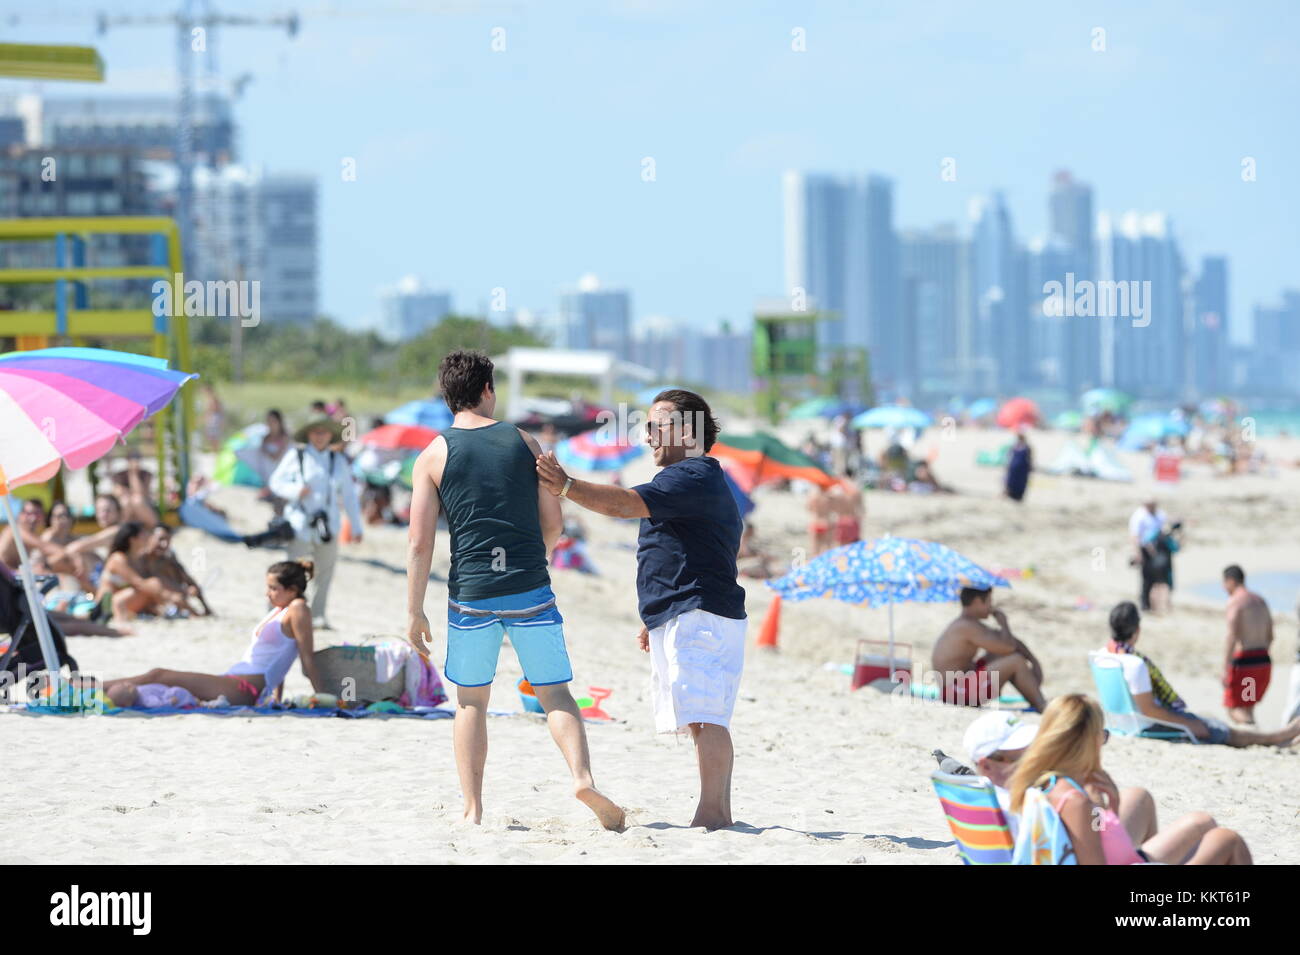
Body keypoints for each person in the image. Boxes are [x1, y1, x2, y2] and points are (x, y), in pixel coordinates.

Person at [405, 350, 623, 830]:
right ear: (488, 390)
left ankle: (473, 808)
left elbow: (420, 541)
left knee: (470, 701)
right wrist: (536, 559)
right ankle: (582, 777)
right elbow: (554, 523)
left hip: (471, 594)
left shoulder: (432, 455)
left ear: (447, 396)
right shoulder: (526, 442)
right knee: (556, 695)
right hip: (530, 588)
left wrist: (414, 610)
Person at [537, 388, 747, 830]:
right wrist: (655, 617)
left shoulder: (691, 475)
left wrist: (568, 486)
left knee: (706, 718)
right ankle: (717, 814)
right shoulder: (692, 480)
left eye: (656, 426)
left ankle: (713, 816)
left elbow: (625, 505)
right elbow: (685, 554)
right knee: (702, 718)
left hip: (701, 614)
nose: (647, 435)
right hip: (691, 611)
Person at [953, 711, 1225, 863]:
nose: (1037, 758)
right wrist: (1094, 808)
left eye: (1037, 748)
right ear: (987, 765)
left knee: (1139, 797)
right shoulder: (1027, 803)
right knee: (1214, 831)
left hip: (1084, 848)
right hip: (1088, 855)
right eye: (1023, 754)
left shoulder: (981, 797)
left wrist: (1108, 810)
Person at [1009, 695, 1252, 864]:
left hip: (1125, 856)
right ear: (1090, 741)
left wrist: (1108, 808)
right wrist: (1097, 809)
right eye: (1103, 735)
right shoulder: (1076, 802)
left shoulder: (1041, 782)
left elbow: (1085, 839)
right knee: (1227, 840)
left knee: (1198, 821)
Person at [103, 559, 324, 707]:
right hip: (235, 682)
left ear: (293, 590)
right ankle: (94, 689)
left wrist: (325, 699)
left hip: (243, 689)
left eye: (274, 588)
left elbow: (307, 660)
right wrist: (277, 698)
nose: (268, 594)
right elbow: (278, 657)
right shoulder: (281, 611)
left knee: (158, 674)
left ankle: (86, 686)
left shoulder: (298, 609)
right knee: (157, 685)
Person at [1102, 601, 1300, 746]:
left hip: (1123, 724)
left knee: (1213, 718)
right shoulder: (1134, 664)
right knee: (1222, 730)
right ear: (1137, 630)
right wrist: (1189, 724)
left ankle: (1273, 732)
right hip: (1147, 726)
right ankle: (1277, 736)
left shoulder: (1104, 656)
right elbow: (1150, 711)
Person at [267, 415, 363, 630]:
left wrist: (356, 526)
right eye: (316, 432)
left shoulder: (338, 461)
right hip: (300, 522)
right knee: (291, 571)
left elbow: (349, 496)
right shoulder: (296, 455)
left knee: (325, 571)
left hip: (328, 525)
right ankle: (281, 612)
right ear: (309, 434)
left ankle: (318, 616)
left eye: (324, 433)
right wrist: (294, 491)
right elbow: (275, 482)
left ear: (330, 435)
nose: (320, 437)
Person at [932, 587, 1046, 711]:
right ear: (977, 602)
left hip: (957, 688)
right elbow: (1009, 647)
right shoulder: (967, 626)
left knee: (999, 654)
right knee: (1015, 661)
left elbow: (1009, 643)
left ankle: (1034, 697)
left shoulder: (966, 624)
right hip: (954, 693)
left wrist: (1033, 661)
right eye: (989, 602)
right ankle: (1041, 705)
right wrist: (1004, 623)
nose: (992, 607)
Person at [94, 522, 193, 625]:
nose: (148, 536)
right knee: (151, 584)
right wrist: (168, 596)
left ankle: (176, 607)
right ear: (133, 539)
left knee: (155, 582)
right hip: (106, 606)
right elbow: (139, 583)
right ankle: (175, 607)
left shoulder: (136, 558)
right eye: (144, 534)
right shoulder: (118, 558)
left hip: (124, 602)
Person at [1220, 565, 1273, 724]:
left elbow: (1232, 636)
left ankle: (1251, 732)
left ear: (1230, 581)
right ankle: (1254, 735)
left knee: (1233, 707)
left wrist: (1225, 667)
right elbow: (1270, 635)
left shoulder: (1235, 601)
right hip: (1263, 660)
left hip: (1245, 662)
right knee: (1248, 705)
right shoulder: (1260, 600)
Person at [139, 525, 212, 616]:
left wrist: (192, 590)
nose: (164, 544)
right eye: (160, 539)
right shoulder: (139, 557)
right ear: (149, 537)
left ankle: (199, 612)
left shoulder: (168, 557)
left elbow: (186, 577)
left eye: (168, 541)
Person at [1129, 499, 1174, 611]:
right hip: (1145, 551)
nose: (1151, 507)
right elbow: (1135, 536)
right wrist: (1137, 553)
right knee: (1147, 580)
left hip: (1161, 550)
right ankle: (1145, 605)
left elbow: (1165, 528)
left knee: (1162, 579)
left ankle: (1160, 605)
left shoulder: (1160, 514)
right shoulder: (1139, 516)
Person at [829, 479, 862, 546]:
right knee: (853, 546)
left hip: (841, 519)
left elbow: (832, 507)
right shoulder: (856, 491)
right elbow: (861, 509)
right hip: (852, 520)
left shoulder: (838, 492)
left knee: (841, 547)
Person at [1004, 431, 1032, 502]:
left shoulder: (1026, 447)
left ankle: (1018, 496)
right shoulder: (1015, 446)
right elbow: (1009, 456)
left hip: (1022, 467)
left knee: (1020, 482)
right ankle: (1011, 495)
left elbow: (1029, 458)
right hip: (1015, 467)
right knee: (1012, 481)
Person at [807, 485, 832, 556]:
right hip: (825, 521)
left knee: (815, 548)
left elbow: (808, 508)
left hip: (815, 521)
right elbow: (833, 509)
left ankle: (815, 565)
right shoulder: (828, 497)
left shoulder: (812, 496)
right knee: (826, 547)